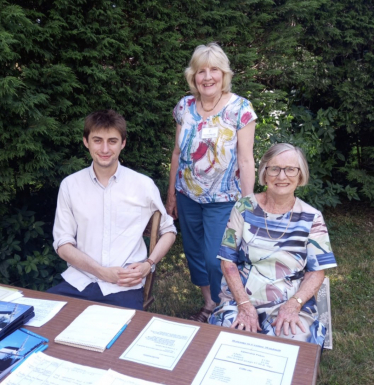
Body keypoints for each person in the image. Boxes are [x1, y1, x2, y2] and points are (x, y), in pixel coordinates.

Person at [209, 143, 337, 346]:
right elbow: (228, 262)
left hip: (288, 301)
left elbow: (317, 272)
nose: (282, 176)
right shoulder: (244, 207)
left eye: (290, 169)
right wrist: (243, 305)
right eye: (274, 168)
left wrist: (293, 305)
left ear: (300, 175)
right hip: (240, 297)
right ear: (264, 173)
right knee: (228, 342)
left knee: (292, 345)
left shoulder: (312, 217)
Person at [166, 43, 257, 322]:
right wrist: (171, 193)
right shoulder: (184, 106)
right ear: (193, 75)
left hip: (224, 199)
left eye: (214, 70)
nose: (207, 77)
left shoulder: (240, 108)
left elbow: (245, 160)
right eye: (201, 71)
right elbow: (178, 152)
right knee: (194, 254)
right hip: (187, 196)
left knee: (214, 258)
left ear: (224, 74)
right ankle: (208, 304)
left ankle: (223, 307)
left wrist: (247, 202)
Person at [49, 110, 176, 310]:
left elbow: (169, 231)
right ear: (86, 142)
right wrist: (101, 272)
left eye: (113, 141)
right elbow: (62, 244)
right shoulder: (70, 185)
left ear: (123, 143)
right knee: (38, 323)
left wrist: (148, 265)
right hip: (78, 283)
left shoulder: (142, 185)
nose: (105, 148)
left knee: (120, 339)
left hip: (123, 288)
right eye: (97, 140)